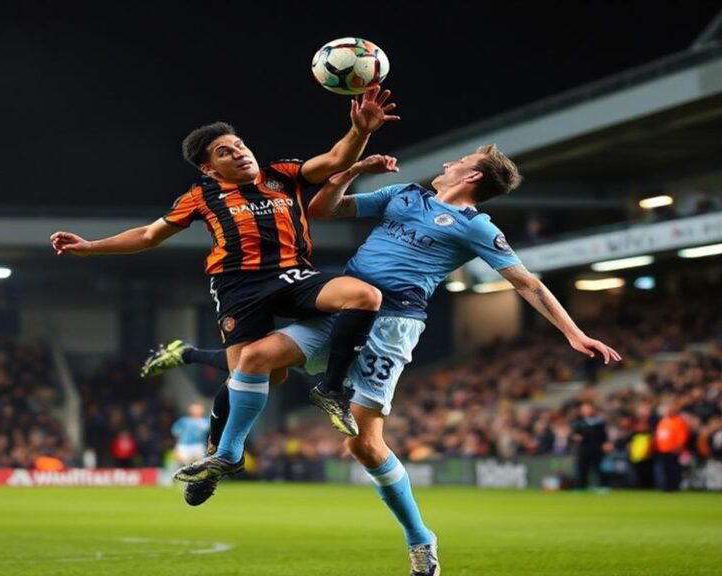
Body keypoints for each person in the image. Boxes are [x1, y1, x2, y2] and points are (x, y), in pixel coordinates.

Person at [148, 147, 622, 576]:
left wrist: (574, 332)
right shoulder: (405, 194)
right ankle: (227, 452)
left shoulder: (477, 226)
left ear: (473, 174)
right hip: (342, 306)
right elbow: (322, 209)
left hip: (392, 328)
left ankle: (421, 539)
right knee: (254, 357)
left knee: (364, 447)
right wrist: (347, 173)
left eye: (456, 162)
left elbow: (528, 284)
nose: (445, 164)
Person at [50, 85, 400, 481]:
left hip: (293, 274)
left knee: (364, 294)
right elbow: (149, 236)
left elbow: (337, 159)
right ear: (209, 169)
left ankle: (331, 389)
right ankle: (218, 447)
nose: (239, 153)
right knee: (261, 375)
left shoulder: (282, 175)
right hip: (240, 288)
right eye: (225, 152)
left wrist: (361, 131)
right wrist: (91, 247)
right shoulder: (200, 195)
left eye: (240, 145)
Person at [570, 401, 612, 490]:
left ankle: (604, 486)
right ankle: (581, 487)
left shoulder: (599, 422)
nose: (586, 410)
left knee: (599, 468)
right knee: (582, 468)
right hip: (584, 448)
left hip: (597, 448)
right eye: (584, 408)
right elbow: (573, 435)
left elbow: (604, 434)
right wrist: (575, 437)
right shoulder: (578, 422)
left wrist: (606, 443)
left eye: (587, 408)